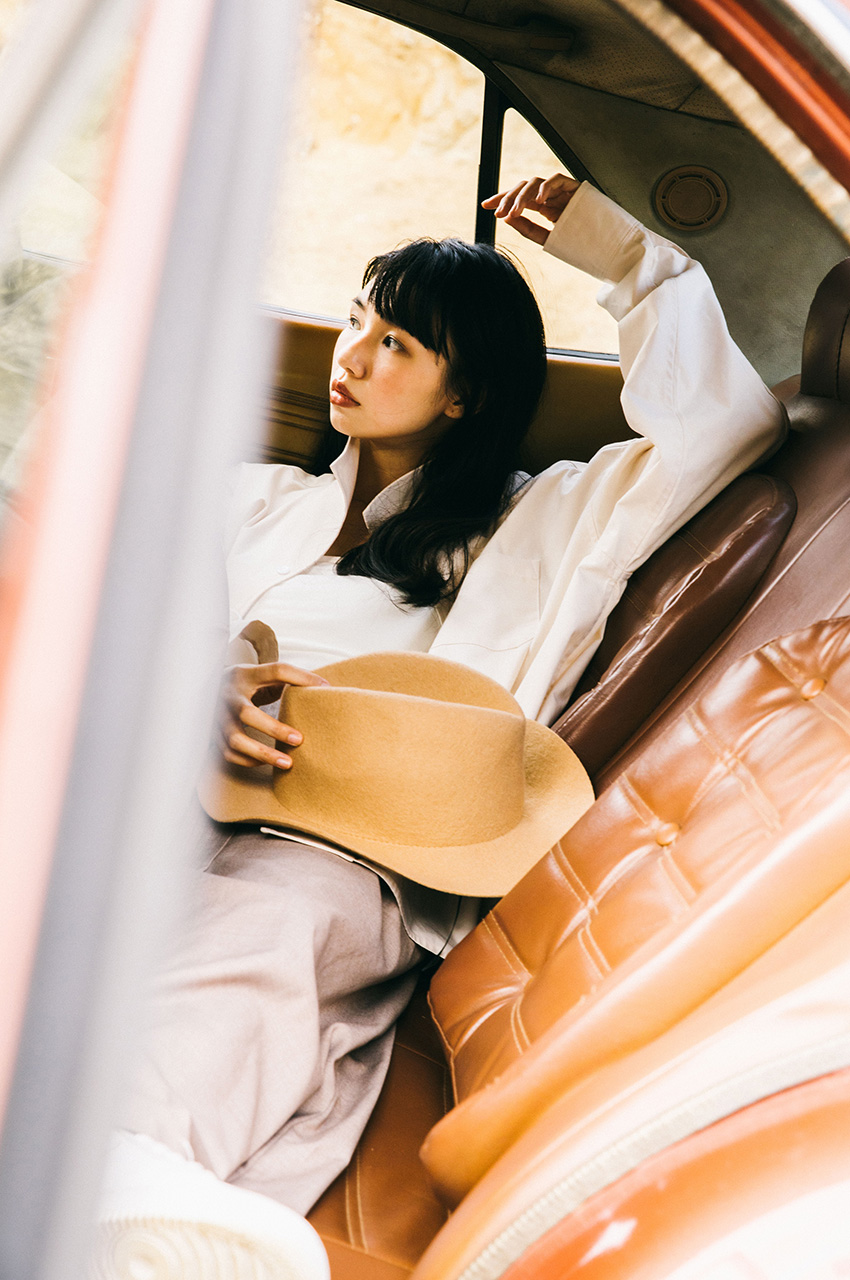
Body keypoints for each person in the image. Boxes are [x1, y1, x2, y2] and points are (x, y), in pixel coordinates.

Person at [93, 175, 784, 1279]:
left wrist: (625, 257)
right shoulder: (257, 500)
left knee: (248, 956)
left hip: (340, 852)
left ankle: (107, 1192)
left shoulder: (542, 519)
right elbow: (117, 617)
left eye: (398, 344)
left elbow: (725, 427)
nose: (353, 356)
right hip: (154, 797)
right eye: (357, 320)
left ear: (465, 395)